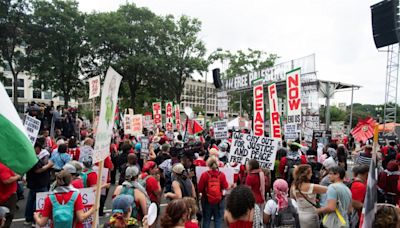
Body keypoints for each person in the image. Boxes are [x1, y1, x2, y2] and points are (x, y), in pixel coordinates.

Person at [24, 141, 53, 226]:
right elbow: (37, 170)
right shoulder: (33, 158)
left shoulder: (30, 156)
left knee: (31, 200)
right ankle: (34, 220)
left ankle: (28, 218)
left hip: (33, 182)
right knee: (37, 202)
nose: (39, 150)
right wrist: (48, 165)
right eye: (38, 148)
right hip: (39, 183)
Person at [198, 156, 229, 228]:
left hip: (206, 200)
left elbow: (199, 188)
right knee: (218, 220)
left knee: (206, 220)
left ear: (208, 164)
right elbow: (225, 186)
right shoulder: (222, 175)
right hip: (219, 201)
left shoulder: (204, 175)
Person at [0, 162, 20, 228]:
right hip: (7, 196)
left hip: (5, 195)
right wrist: (18, 176)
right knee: (7, 217)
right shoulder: (2, 166)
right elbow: (6, 180)